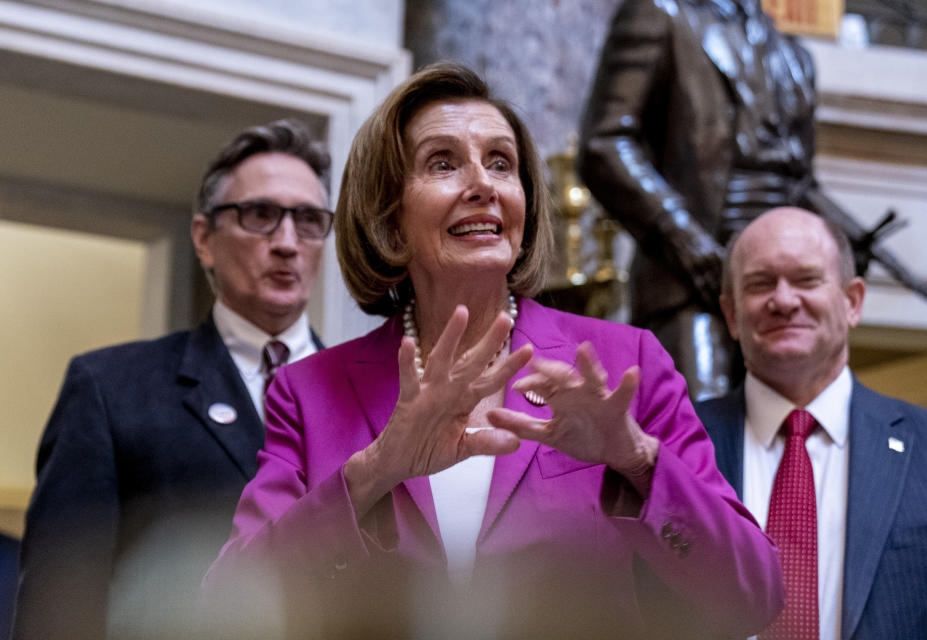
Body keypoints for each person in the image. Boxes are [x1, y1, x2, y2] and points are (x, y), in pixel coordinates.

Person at [204, 62, 783, 639]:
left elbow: (752, 595)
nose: (482, 185)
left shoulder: (626, 361)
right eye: (443, 162)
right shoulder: (307, 393)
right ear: (391, 221)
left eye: (501, 163)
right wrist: (374, 472)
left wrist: (637, 459)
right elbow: (226, 613)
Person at [13, 119, 331, 640]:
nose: (288, 242)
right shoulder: (109, 388)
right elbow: (58, 604)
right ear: (204, 239)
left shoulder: (373, 395)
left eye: (311, 220)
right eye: (260, 215)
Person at [578, 0, 927, 402]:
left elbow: (796, 180)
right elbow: (604, 145)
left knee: (795, 428)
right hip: (692, 280)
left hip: (776, 276)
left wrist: (846, 235)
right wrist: (687, 242)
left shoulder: (793, 56)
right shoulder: (661, 14)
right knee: (698, 431)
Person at [696, 207, 927, 639]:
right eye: (761, 283)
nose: (783, 300)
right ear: (731, 314)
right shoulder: (675, 445)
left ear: (852, 301)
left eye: (806, 279)